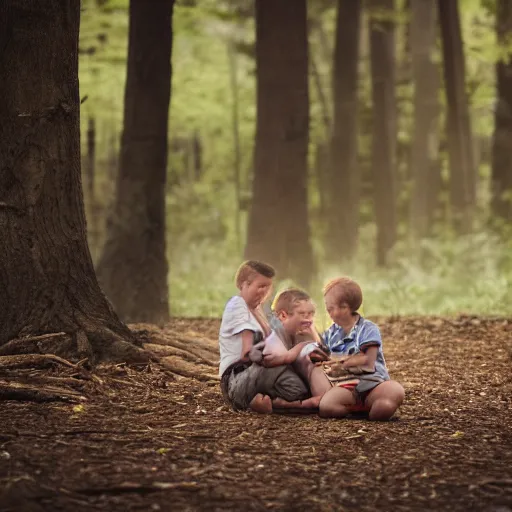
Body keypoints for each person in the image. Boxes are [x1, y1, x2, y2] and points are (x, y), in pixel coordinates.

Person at [218, 260, 311, 414]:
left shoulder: (257, 309)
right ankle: (255, 402)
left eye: (268, 287)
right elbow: (247, 352)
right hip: (236, 379)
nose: (264, 292)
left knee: (299, 390)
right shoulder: (237, 305)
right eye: (260, 286)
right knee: (282, 367)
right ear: (243, 285)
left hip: (261, 372)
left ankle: (268, 402)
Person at [318, 277, 405, 420]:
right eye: (328, 308)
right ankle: (358, 409)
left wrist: (340, 362)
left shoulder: (368, 329)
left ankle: (377, 406)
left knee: (393, 392)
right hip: (348, 386)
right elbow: (322, 353)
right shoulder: (331, 333)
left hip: (374, 383)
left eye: (331, 308)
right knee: (327, 406)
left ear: (346, 308)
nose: (329, 312)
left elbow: (368, 360)